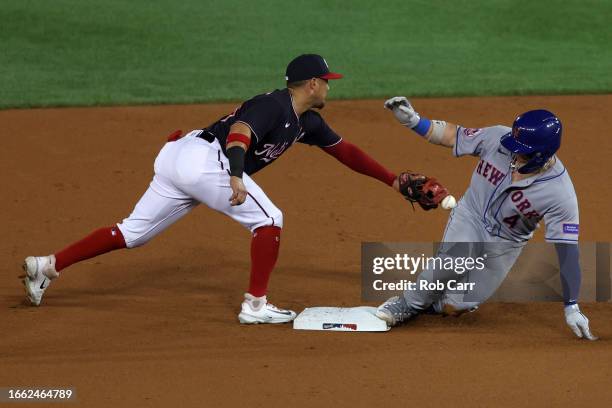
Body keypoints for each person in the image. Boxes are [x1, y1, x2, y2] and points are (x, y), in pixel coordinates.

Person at [21, 55, 440, 325]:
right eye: (326, 81)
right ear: (311, 84)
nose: (330, 86)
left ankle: (48, 265)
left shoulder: (306, 122)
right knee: (270, 219)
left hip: (181, 157)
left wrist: (391, 179)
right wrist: (237, 174)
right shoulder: (273, 105)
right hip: (207, 159)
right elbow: (239, 132)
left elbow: (345, 151)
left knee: (133, 232)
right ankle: (255, 306)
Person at [376, 96, 597, 340]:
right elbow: (453, 135)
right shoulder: (497, 137)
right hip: (471, 215)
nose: (512, 153)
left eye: (521, 152)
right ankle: (408, 303)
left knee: (456, 305)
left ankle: (432, 302)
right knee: (452, 262)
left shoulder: (560, 194)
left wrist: (571, 306)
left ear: (541, 155)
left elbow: (567, 251)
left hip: (506, 242)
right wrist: (415, 121)